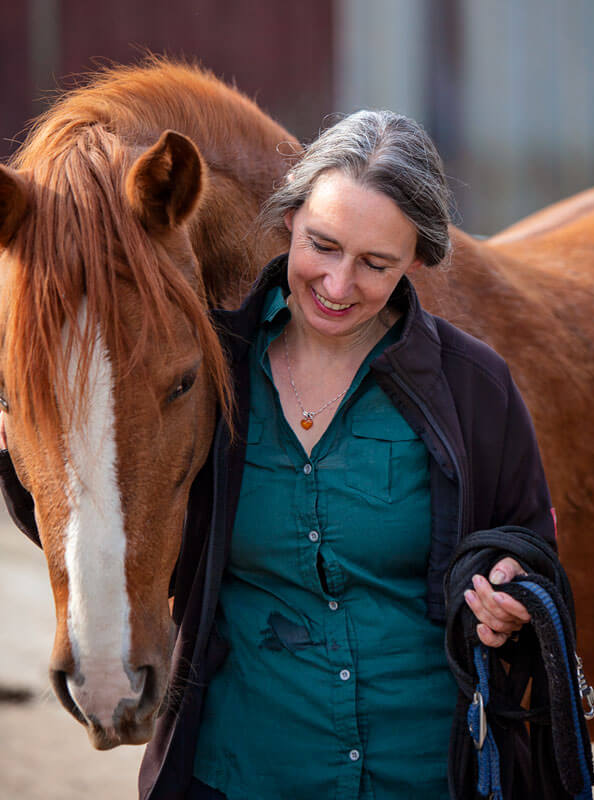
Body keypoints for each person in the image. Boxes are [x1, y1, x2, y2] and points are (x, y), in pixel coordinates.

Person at [0, 110, 556, 799]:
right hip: (244, 771)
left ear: (416, 260)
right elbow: (130, 519)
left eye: (375, 263)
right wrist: (31, 434)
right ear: (288, 220)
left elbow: (529, 539)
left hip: (422, 772)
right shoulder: (213, 376)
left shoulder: (473, 385)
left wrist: (514, 589)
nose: (337, 284)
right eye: (323, 245)